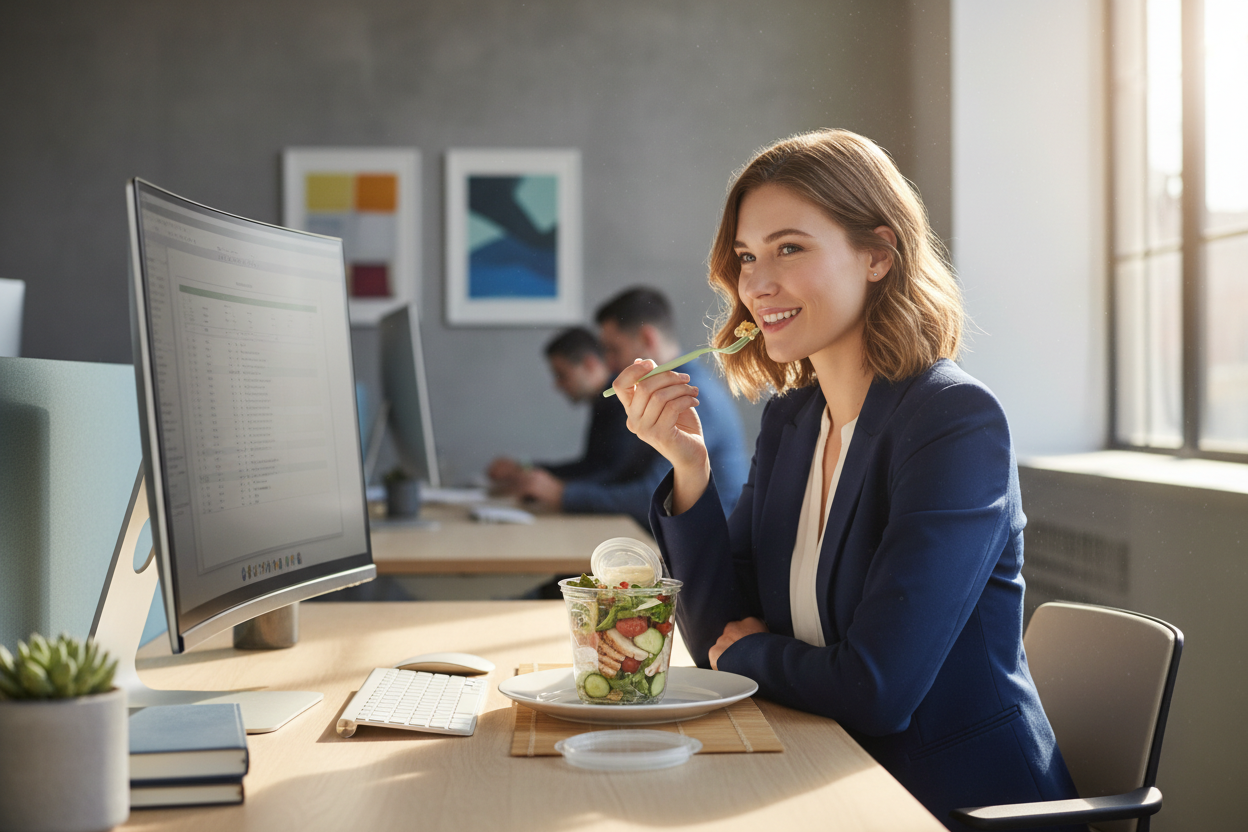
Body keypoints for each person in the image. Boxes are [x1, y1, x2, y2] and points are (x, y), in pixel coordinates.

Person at [610, 130, 1081, 829]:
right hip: (824, 772)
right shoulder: (795, 420)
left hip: (946, 804)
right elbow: (716, 638)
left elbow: (876, 689)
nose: (756, 283)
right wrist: (690, 468)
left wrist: (747, 651)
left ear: (877, 255)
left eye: (789, 248)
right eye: (746, 256)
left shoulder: (954, 424)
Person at [595, 287, 750, 520]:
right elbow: (626, 475)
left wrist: (563, 495)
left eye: (613, 350)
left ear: (648, 338)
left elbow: (654, 494)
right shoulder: (667, 390)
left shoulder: (691, 396)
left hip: (714, 542)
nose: (609, 363)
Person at [486, 326, 664, 529]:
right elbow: (591, 466)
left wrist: (561, 493)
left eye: (562, 375)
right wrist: (529, 470)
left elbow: (614, 477)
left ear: (589, 364)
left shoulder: (623, 404)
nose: (557, 385)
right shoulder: (603, 403)